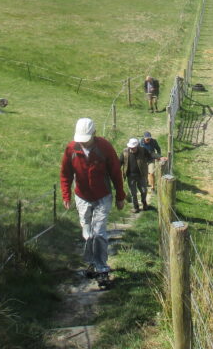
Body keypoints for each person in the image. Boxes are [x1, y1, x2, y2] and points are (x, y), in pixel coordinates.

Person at [60, 117, 126, 281]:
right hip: (82, 196)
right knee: (88, 232)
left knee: (99, 232)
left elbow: (115, 172)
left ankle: (102, 266)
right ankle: (91, 262)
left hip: (103, 196)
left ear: (94, 134)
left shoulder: (104, 147)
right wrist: (66, 195)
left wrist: (120, 196)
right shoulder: (71, 149)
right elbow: (66, 174)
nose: (83, 142)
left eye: (87, 139)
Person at [119, 137, 150, 213]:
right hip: (130, 176)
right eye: (131, 147)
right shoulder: (125, 152)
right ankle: (136, 207)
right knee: (133, 193)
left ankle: (144, 202)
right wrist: (113, 171)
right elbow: (119, 162)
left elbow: (151, 155)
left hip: (141, 175)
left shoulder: (143, 150)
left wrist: (159, 157)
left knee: (144, 191)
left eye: (133, 147)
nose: (132, 149)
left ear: (137, 146)